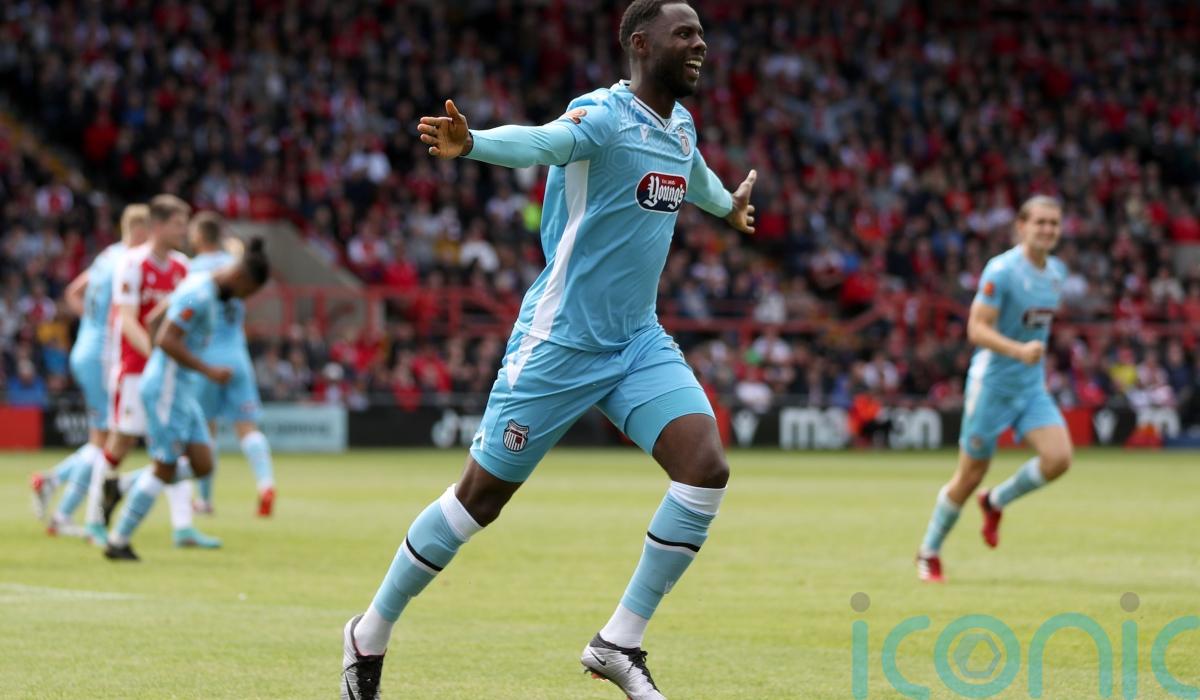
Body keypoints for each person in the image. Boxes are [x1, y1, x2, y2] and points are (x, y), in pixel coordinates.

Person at [340, 2, 756, 698]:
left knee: (704, 470)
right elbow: (540, 141)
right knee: (478, 500)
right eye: (684, 33)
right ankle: (369, 631)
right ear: (640, 43)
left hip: (636, 341)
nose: (700, 44)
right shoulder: (601, 116)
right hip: (558, 341)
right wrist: (472, 144)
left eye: (701, 34)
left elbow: (698, 177)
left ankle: (618, 642)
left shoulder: (680, 126)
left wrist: (728, 207)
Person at [916, 195, 1073, 582]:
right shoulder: (1001, 271)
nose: (1047, 229)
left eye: (1053, 223)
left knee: (1058, 458)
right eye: (1040, 222)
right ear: (1021, 226)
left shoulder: (1057, 273)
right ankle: (928, 551)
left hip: (1030, 388)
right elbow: (976, 329)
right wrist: (1018, 350)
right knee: (970, 475)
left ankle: (996, 500)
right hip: (991, 387)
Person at [104, 239, 271, 561]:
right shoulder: (199, 294)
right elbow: (167, 337)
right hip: (168, 388)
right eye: (246, 292)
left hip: (181, 387)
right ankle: (118, 540)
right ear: (240, 278)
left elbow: (154, 319)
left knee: (203, 464)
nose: (242, 299)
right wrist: (204, 370)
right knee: (165, 466)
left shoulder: (198, 285)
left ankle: (122, 486)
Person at [82, 194, 219, 549]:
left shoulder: (183, 267)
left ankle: (183, 527)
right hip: (134, 369)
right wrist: (157, 354)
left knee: (179, 444)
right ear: (157, 226)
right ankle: (94, 520)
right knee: (120, 442)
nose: (184, 231)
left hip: (173, 374)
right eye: (178, 224)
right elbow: (127, 320)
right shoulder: (131, 263)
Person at [30, 204, 149, 535]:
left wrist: (92, 323)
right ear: (141, 230)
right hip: (102, 356)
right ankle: (61, 504)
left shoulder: (106, 256)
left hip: (85, 347)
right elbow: (122, 313)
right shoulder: (129, 262)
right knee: (107, 441)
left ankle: (57, 496)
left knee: (102, 439)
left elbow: (73, 292)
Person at [185, 212, 276, 516]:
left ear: (199, 236)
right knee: (247, 428)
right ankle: (265, 484)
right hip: (237, 354)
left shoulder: (193, 269)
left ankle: (205, 500)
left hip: (206, 357)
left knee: (205, 431)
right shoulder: (237, 264)